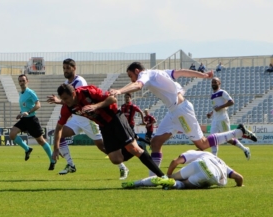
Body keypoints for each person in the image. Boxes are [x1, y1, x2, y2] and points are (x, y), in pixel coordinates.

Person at [109, 62, 257, 175]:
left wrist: (119, 91)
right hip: (174, 112)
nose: (132, 79)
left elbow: (138, 85)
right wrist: (203, 75)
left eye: (131, 76)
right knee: (156, 142)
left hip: (181, 111)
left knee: (202, 144)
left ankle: (238, 133)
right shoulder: (158, 72)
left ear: (137, 71)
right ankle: (152, 177)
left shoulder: (144, 75)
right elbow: (181, 72)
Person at [52, 84, 165, 178]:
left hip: (115, 117)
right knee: (116, 159)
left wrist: (96, 106)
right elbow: (59, 128)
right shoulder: (68, 107)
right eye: (62, 99)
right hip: (103, 125)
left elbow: (113, 99)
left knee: (134, 149)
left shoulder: (88, 92)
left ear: (73, 94)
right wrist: (56, 149)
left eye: (66, 98)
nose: (64, 102)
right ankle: (140, 145)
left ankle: (162, 177)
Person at [47, 58, 129, 179]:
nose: (65, 70)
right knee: (59, 135)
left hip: (88, 119)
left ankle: (122, 166)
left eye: (68, 68)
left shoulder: (79, 82)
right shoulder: (67, 83)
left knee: (102, 146)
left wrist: (59, 102)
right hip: (76, 119)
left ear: (74, 68)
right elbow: (69, 103)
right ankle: (70, 165)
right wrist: (60, 101)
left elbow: (79, 102)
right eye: (64, 68)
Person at [121, 150, 243, 189]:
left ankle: (137, 183)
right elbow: (239, 178)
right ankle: (173, 184)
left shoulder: (194, 153)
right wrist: (239, 186)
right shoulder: (222, 163)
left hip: (200, 164)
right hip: (214, 177)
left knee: (170, 179)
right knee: (183, 185)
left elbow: (175, 162)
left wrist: (167, 176)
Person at [9, 74, 56, 170]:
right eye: (20, 81)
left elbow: (38, 105)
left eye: (23, 80)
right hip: (24, 119)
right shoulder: (21, 93)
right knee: (12, 134)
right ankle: (27, 149)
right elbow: (24, 107)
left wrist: (29, 112)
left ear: (27, 81)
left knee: (41, 141)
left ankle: (52, 160)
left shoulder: (30, 92)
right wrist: (20, 113)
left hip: (32, 120)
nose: (21, 82)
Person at [206, 77, 250, 159]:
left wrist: (221, 107)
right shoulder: (212, 95)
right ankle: (214, 158)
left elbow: (231, 102)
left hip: (223, 119)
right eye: (212, 82)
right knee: (212, 138)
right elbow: (215, 108)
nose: (213, 83)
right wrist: (211, 113)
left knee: (228, 139)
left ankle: (245, 149)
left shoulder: (222, 92)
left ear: (219, 83)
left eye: (215, 82)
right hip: (215, 120)